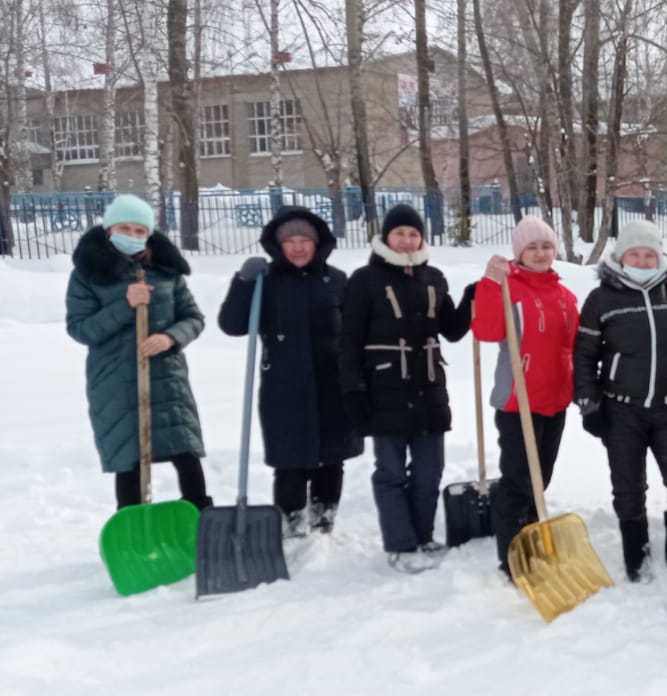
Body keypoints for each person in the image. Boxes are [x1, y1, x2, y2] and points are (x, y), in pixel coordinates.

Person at [572, 221, 667, 582]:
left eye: (649, 254)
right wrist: (588, 403)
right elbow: (584, 354)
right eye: (635, 254)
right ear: (620, 257)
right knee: (628, 486)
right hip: (620, 409)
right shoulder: (601, 299)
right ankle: (636, 552)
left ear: (659, 256)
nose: (642, 261)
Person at [339, 204, 471, 573]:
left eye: (414, 234)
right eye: (400, 233)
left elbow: (452, 330)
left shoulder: (434, 279)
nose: (407, 240)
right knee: (392, 474)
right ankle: (401, 545)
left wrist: (474, 297)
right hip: (383, 392)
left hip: (429, 392)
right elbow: (348, 342)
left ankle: (424, 537)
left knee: (430, 472)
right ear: (386, 237)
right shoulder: (364, 280)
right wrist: (353, 390)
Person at [218, 207, 360, 537]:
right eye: (290, 241)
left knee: (331, 460)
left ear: (317, 243)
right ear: (278, 245)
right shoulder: (265, 281)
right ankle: (291, 525)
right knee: (289, 463)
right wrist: (243, 283)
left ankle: (323, 523)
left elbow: (357, 331)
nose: (298, 247)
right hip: (284, 390)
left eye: (305, 240)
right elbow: (232, 325)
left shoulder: (337, 281)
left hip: (332, 387)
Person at [67, 195, 212, 511]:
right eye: (124, 228)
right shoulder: (89, 273)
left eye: (139, 230)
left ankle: (200, 519)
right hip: (116, 381)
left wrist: (170, 338)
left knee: (186, 453)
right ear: (109, 230)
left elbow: (193, 318)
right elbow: (80, 328)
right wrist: (125, 305)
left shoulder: (165, 270)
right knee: (128, 457)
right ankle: (133, 525)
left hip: (167, 378)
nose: (132, 236)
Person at [468, 215, 579, 577]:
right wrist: (490, 284)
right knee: (518, 483)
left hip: (555, 400)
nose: (541, 253)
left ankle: (531, 539)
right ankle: (512, 558)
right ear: (519, 252)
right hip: (519, 402)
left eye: (546, 246)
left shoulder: (565, 296)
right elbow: (486, 331)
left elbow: (574, 345)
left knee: (540, 480)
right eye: (532, 247)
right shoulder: (508, 290)